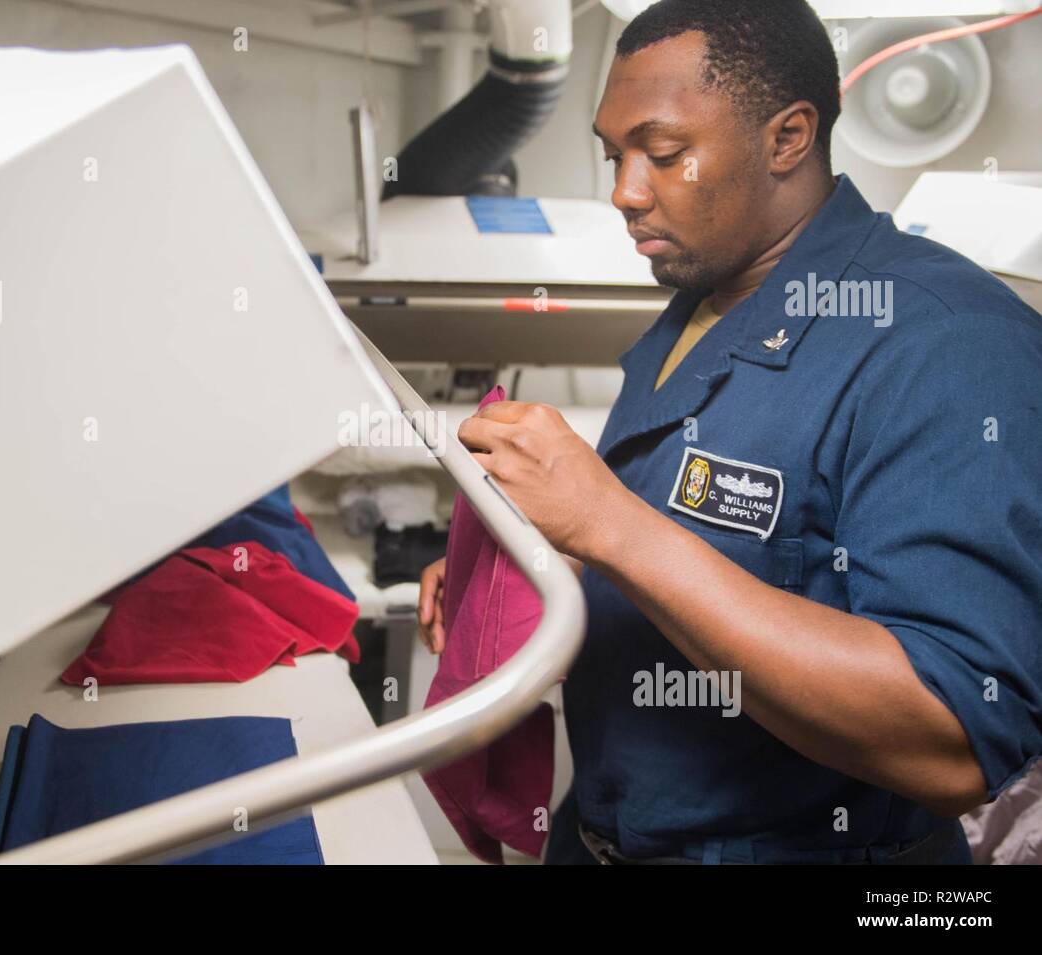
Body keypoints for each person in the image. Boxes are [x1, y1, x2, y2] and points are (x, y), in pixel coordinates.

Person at [417, 0, 1042, 864]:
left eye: (663, 154)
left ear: (788, 137)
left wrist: (607, 523)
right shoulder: (710, 302)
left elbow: (954, 735)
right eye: (614, 155)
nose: (624, 192)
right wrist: (535, 569)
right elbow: (701, 551)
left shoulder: (947, 343)